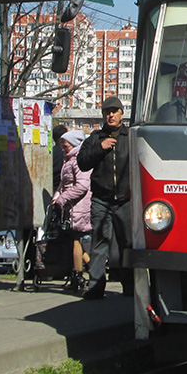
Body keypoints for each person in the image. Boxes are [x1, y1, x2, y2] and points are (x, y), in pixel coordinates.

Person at [76, 96, 132, 299]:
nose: (111, 115)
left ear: (121, 114)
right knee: (99, 243)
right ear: (103, 115)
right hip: (101, 199)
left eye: (114, 111)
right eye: (107, 111)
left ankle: (131, 287)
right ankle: (96, 287)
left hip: (125, 200)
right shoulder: (95, 138)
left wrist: (133, 190)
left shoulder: (130, 136)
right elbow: (82, 163)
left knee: (128, 244)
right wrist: (100, 148)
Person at [51, 129, 92, 293]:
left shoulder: (78, 160)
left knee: (76, 240)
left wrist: (62, 198)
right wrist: (57, 197)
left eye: (66, 146)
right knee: (76, 241)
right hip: (72, 206)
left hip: (80, 206)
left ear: (74, 145)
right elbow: (63, 184)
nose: (63, 149)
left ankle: (80, 275)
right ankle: (92, 271)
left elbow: (82, 185)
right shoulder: (67, 160)